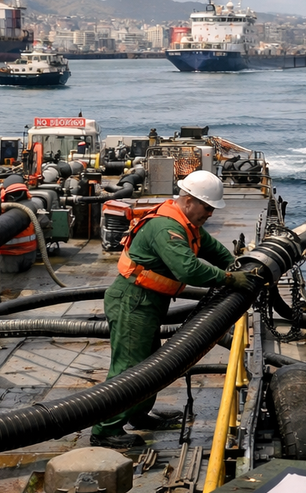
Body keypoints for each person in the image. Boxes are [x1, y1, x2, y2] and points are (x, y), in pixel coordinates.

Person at [91, 170, 258, 449]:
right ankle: (105, 430)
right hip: (133, 301)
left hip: (148, 302)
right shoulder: (166, 227)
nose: (210, 214)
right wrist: (229, 279)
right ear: (189, 200)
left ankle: (137, 414)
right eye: (207, 207)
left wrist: (234, 265)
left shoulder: (187, 224)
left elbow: (214, 250)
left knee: (151, 365)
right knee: (129, 368)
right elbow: (187, 268)